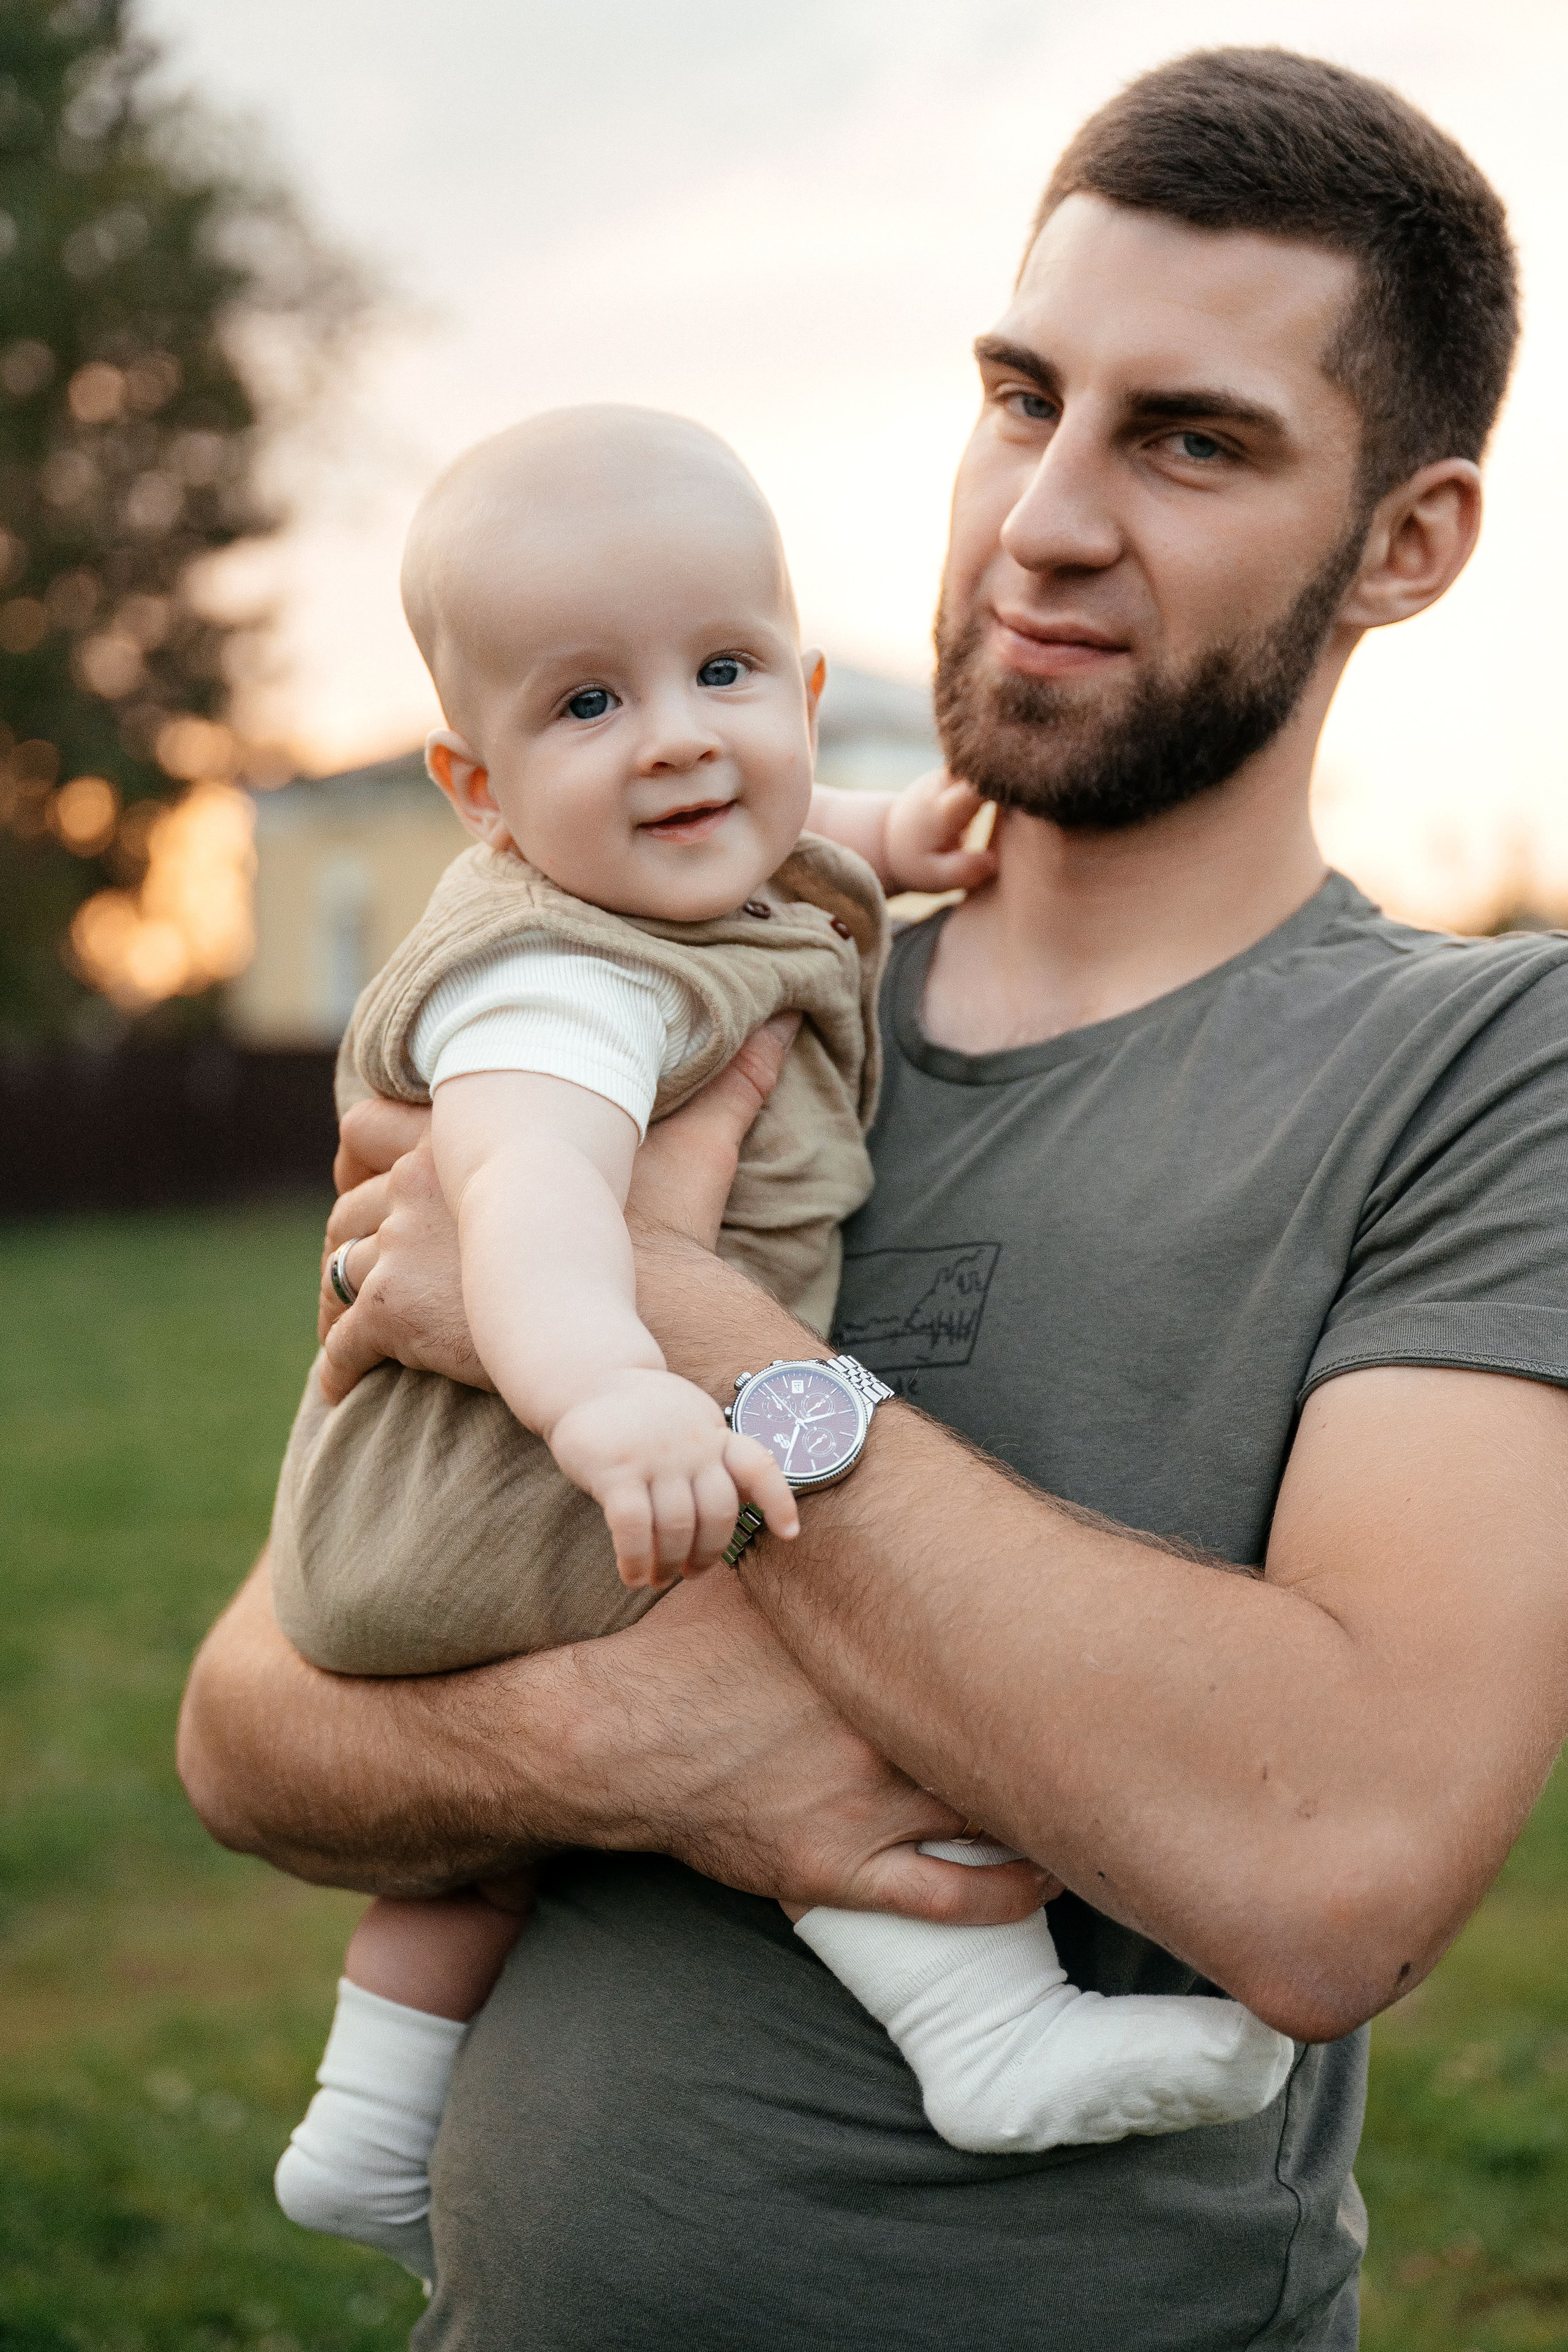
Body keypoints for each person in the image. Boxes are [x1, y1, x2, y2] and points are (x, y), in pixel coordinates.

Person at [178, 47, 1568, 2352]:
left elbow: (1331, 1881)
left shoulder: (1480, 1071)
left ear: (1407, 543)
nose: (1044, 517)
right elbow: (250, 1721)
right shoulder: (690, 992)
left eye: (1190, 439)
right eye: (1024, 398)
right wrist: (643, 1756)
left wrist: (678, 1315)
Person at [271, 405, 1294, 2290]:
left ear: (804, 685)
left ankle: (367, 2120)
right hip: (520, 1448)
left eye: (725, 671)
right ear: (477, 786)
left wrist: (905, 835)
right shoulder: (558, 984)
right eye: (585, 707)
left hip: (465, 1481)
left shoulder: (733, 860)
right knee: (831, 1644)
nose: (674, 734)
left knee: (494, 1833)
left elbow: (802, 838)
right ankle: (984, 2029)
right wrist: (616, 1397)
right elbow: (533, 1211)